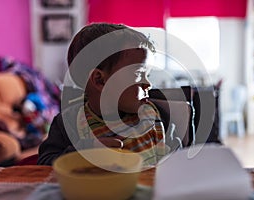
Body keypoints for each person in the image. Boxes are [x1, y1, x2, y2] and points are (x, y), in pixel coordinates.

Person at [37, 23, 166, 166]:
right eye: (138, 73)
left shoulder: (153, 114)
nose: (148, 84)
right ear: (100, 80)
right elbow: (44, 164)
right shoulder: (68, 123)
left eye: (148, 74)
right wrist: (82, 153)